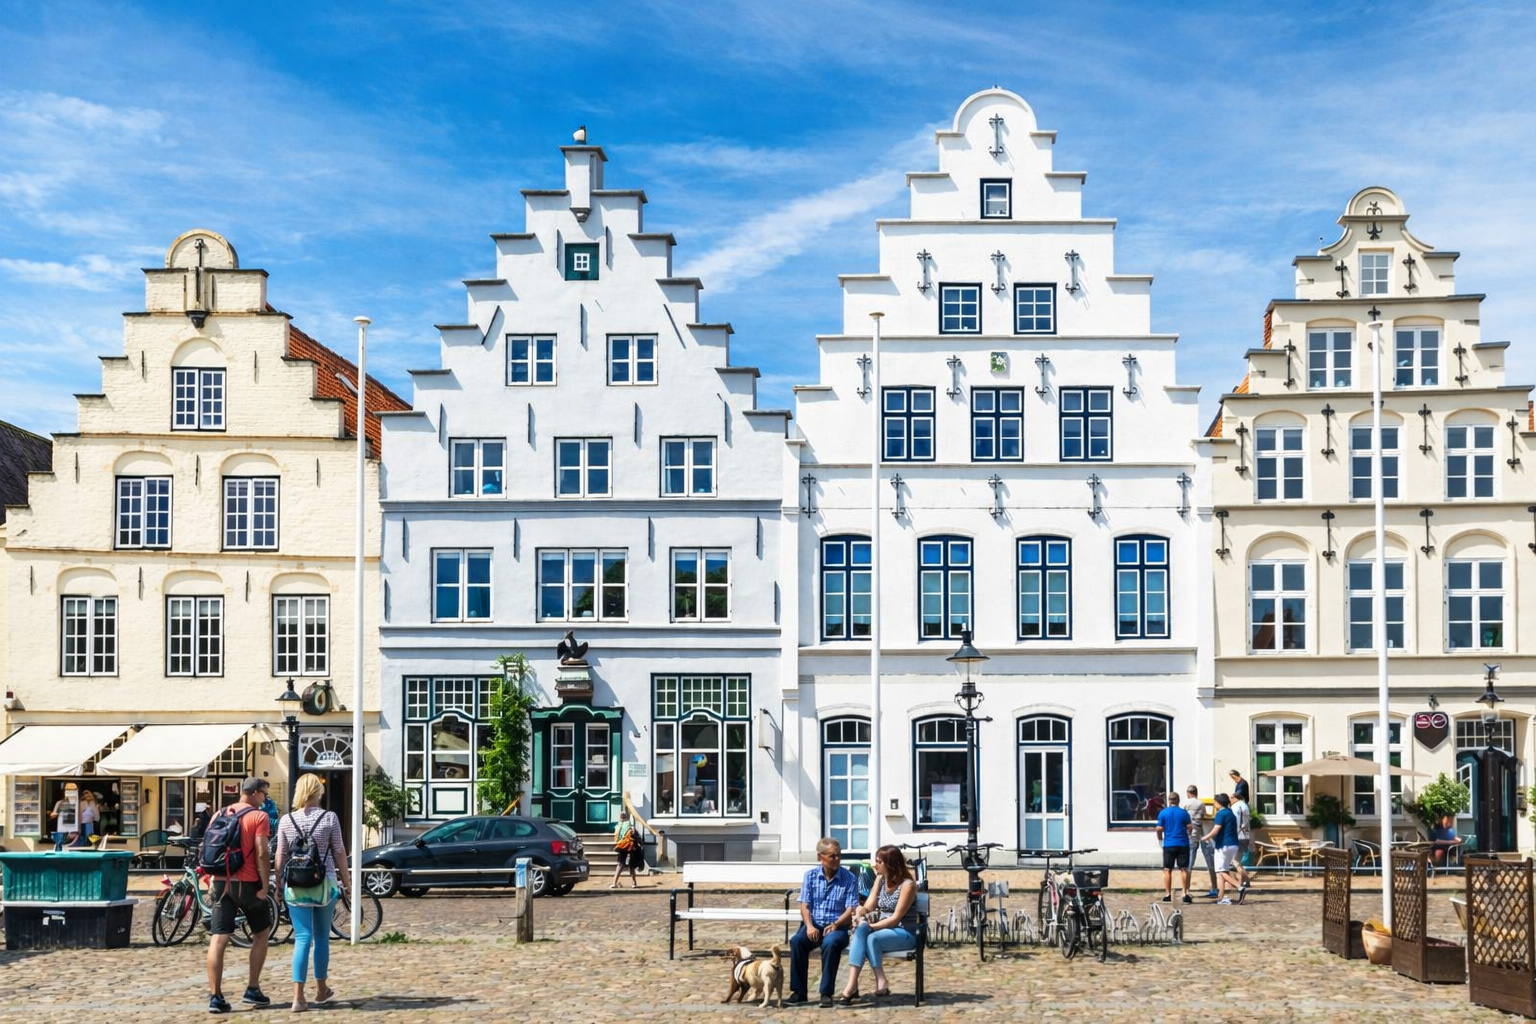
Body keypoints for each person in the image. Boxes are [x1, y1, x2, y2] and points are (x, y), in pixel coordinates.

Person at [273, 773, 348, 1013]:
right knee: (322, 937)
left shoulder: (286, 820)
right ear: (318, 792)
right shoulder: (329, 818)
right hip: (324, 884)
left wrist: (277, 885)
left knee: (302, 938)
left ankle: (298, 997)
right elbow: (338, 850)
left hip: (295, 885)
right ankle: (321, 989)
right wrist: (346, 880)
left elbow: (280, 855)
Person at [205, 777, 274, 1014]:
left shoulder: (218, 814)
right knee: (261, 934)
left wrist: (209, 880)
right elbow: (262, 853)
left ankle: (215, 996)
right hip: (247, 884)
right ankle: (252, 988)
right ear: (254, 793)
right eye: (264, 793)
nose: (266, 798)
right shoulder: (258, 816)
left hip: (220, 883)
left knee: (219, 938)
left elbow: (208, 848)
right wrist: (265, 885)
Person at [836, 845, 918, 1005]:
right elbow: (868, 906)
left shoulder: (908, 885)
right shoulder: (880, 880)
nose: (875, 865)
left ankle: (852, 987)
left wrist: (870, 926)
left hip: (903, 932)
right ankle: (877, 981)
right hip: (882, 931)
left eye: (879, 862)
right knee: (867, 936)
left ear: (891, 864)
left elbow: (895, 918)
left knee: (867, 934)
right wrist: (859, 913)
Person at [788, 837, 860, 1008]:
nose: (837, 859)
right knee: (797, 941)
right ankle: (799, 992)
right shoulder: (810, 876)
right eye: (832, 856)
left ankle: (826, 993)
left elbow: (851, 908)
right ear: (820, 857)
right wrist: (810, 925)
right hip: (815, 924)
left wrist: (836, 924)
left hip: (837, 926)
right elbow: (805, 904)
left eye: (839, 856)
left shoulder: (849, 878)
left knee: (831, 943)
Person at [1201, 793, 1244, 906]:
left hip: (1223, 845)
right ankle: (1221, 898)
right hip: (1233, 844)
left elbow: (1216, 829)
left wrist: (1205, 837)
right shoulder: (1231, 813)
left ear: (1219, 803)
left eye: (1215, 802)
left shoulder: (1221, 814)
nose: (1214, 804)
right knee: (1222, 872)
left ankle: (1240, 887)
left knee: (1219, 871)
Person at [1156, 790, 1193, 904]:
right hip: (1182, 843)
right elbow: (1190, 826)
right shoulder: (1184, 813)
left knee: (1167, 869)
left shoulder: (1163, 813)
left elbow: (1159, 828)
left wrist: (1160, 839)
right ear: (1178, 801)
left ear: (1169, 800)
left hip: (1169, 843)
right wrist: (1188, 834)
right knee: (1183, 869)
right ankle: (1184, 892)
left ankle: (1167, 894)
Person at [1184, 785, 1218, 898]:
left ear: (1188, 793)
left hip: (1190, 835)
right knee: (1210, 863)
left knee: (1189, 863)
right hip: (1203, 833)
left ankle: (1187, 890)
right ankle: (1214, 887)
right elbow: (1204, 815)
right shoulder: (1200, 803)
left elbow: (1184, 817)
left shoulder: (1186, 803)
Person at [610, 810, 645, 889]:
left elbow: (635, 837)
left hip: (630, 847)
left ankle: (633, 882)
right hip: (623, 847)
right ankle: (615, 882)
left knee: (630, 865)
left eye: (623, 816)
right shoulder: (619, 826)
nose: (622, 818)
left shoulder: (629, 826)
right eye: (621, 816)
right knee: (621, 865)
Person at [1230, 790, 1255, 890]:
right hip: (1245, 836)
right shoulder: (1245, 806)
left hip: (1238, 836)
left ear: (1236, 798)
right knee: (1238, 861)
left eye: (1231, 798)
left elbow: (1235, 822)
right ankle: (1244, 881)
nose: (1230, 800)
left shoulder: (1236, 807)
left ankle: (1246, 880)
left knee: (1235, 861)